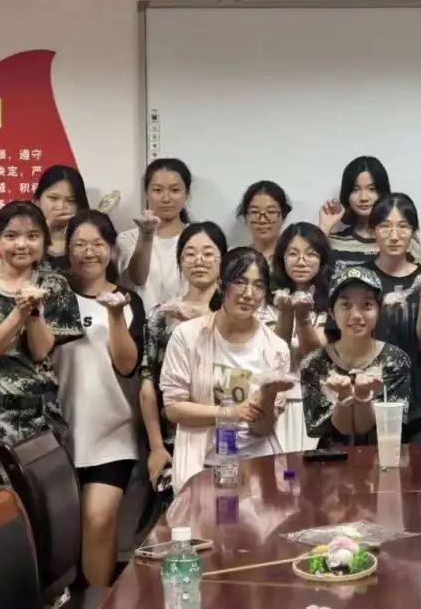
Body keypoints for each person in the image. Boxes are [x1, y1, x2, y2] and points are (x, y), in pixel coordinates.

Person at [0, 200, 83, 498]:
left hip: (40, 414)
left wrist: (35, 312)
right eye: (11, 236)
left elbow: (40, 352)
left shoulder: (56, 286)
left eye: (32, 236)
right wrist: (19, 312)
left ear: (44, 241)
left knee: (44, 507)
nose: (21, 244)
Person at [57, 210, 144, 587]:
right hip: (57, 435)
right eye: (79, 244)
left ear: (111, 248)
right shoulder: (53, 295)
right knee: (60, 532)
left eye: (97, 244)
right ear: (67, 249)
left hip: (112, 433)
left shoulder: (129, 301)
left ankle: (98, 600)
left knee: (99, 520)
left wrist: (115, 315)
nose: (88, 252)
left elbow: (127, 366)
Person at [160, 248, 293, 492]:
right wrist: (229, 413)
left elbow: (262, 429)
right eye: (240, 282)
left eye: (258, 286)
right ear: (221, 285)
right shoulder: (187, 336)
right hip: (202, 464)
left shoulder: (276, 348)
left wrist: (268, 395)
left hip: (256, 465)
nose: (248, 294)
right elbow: (174, 409)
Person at [139, 221, 227, 488]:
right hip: (175, 439)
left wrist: (201, 321)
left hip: (227, 435)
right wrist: (156, 447)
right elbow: (147, 383)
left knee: (228, 508)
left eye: (208, 253)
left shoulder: (236, 315)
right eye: (189, 253)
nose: (199, 260)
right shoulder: (161, 315)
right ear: (179, 261)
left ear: (223, 260)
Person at [300, 266, 412, 448]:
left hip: (383, 454)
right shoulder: (314, 363)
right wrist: (344, 396)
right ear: (331, 312)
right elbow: (340, 429)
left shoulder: (396, 360)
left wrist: (362, 395)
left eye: (367, 305)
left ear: (379, 310)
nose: (356, 315)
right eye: (346, 305)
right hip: (332, 458)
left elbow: (369, 426)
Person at [366, 193, 421, 441]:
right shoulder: (360, 278)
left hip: (415, 389)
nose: (394, 235)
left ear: (413, 231)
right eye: (385, 226)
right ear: (373, 231)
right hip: (370, 384)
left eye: (403, 226)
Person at [271, 222, 332, 452]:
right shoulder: (268, 298)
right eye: (293, 254)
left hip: (318, 400)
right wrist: (286, 312)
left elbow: (315, 356)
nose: (301, 261)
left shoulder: (333, 301)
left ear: (322, 259)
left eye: (311, 254)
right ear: (282, 259)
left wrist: (303, 316)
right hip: (276, 402)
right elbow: (275, 351)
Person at [318, 156, 421, 274]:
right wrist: (324, 228)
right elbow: (313, 277)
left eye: (372, 189)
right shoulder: (336, 241)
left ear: (383, 191)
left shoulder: (403, 237)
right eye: (355, 189)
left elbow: (420, 279)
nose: (363, 198)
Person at [117, 158, 192, 312]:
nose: (166, 198)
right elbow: (137, 279)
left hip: (188, 323)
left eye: (175, 190)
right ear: (146, 193)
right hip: (140, 323)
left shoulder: (198, 238)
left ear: (187, 194)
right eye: (157, 190)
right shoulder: (128, 238)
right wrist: (146, 235)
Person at [34, 165, 90, 273]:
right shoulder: (25, 239)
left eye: (71, 200)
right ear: (37, 200)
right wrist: (45, 229)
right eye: (53, 198)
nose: (61, 206)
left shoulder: (89, 238)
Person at [236, 180, 293, 285]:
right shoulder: (235, 257)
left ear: (283, 215)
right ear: (246, 216)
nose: (262, 220)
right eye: (254, 212)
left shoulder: (293, 258)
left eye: (271, 212)